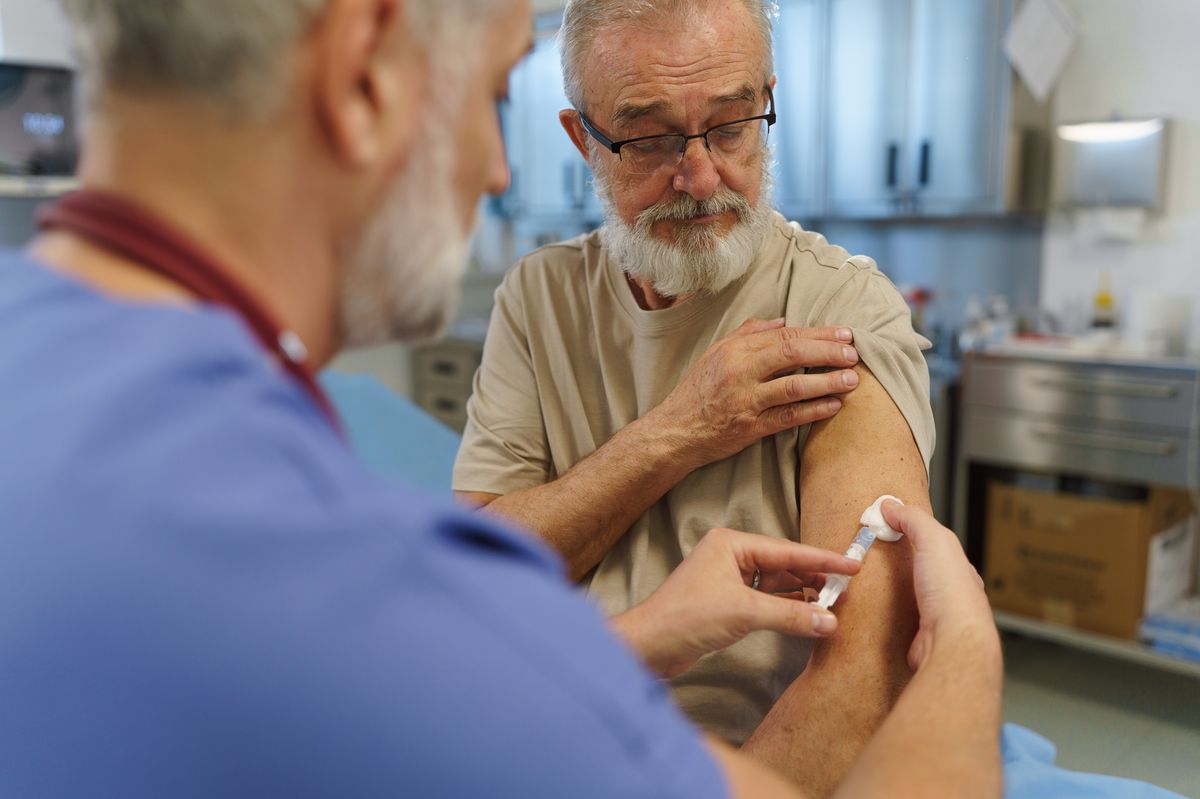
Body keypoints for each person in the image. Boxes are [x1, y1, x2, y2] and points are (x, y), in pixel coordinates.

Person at [0, 0, 1001, 796]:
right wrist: (965, 655)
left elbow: (862, 657)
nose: (493, 167)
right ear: (362, 73)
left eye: (732, 121)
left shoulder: (41, 354)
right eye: (487, 94)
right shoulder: (310, 568)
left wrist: (649, 625)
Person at [452, 0, 932, 790]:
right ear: (584, 140)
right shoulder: (538, 300)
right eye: (651, 138)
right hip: (546, 737)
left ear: (767, 103)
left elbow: (862, 671)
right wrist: (680, 429)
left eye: (733, 125)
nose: (702, 175)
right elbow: (478, 577)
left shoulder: (840, 312)